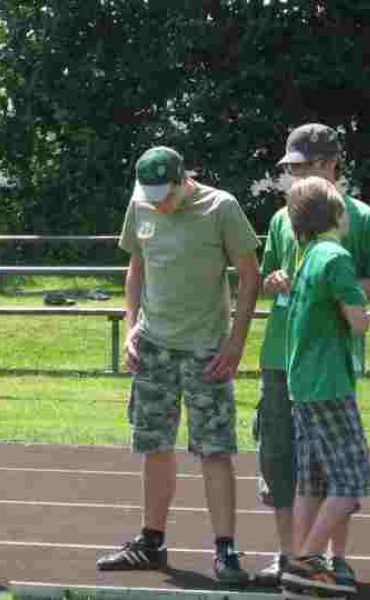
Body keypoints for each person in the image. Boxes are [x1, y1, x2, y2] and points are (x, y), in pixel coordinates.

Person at [95, 146, 261, 585]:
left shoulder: (221, 206)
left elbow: (250, 275)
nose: (156, 204)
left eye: (163, 196)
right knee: (154, 444)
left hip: (207, 350)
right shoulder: (140, 203)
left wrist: (236, 342)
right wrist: (131, 327)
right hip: (153, 347)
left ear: (183, 180)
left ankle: (225, 549)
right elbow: (136, 269)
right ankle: (151, 542)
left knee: (215, 449)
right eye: (149, 196)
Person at [253, 123, 370, 588]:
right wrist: (278, 280)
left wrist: (330, 289)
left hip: (326, 361)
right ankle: (295, 557)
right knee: (296, 465)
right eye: (288, 167)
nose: (290, 176)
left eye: (299, 167)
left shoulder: (360, 218)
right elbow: (267, 278)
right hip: (286, 356)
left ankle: (331, 559)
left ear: (328, 164)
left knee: (332, 469)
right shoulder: (285, 217)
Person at [278, 176, 370, 597]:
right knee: (351, 480)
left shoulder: (308, 254)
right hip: (328, 383)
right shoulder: (335, 256)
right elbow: (359, 321)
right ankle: (306, 561)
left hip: (303, 383)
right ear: (337, 214)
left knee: (312, 481)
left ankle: (305, 564)